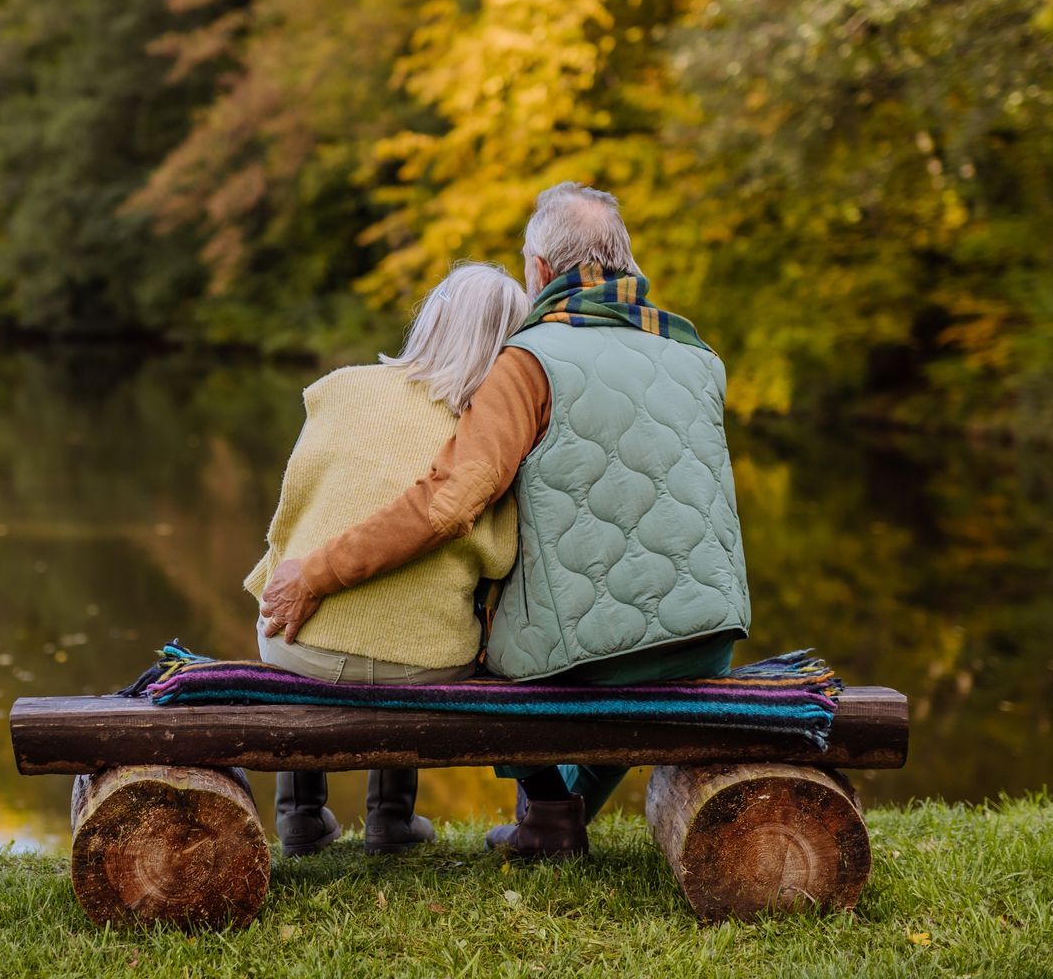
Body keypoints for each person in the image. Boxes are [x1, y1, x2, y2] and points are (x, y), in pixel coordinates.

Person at [262, 182, 750, 860]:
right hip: (712, 639)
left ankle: (549, 814)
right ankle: (559, 817)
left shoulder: (529, 363)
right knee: (623, 629)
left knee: (499, 641)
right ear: (626, 262)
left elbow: (450, 503)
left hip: (593, 658)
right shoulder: (699, 358)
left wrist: (318, 572)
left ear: (543, 272)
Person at [244, 261, 529, 856]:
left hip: (303, 648)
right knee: (434, 617)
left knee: (284, 616)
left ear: (432, 318)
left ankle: (300, 815)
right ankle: (391, 821)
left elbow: (291, 516)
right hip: (425, 670)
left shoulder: (341, 389)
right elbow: (498, 559)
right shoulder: (486, 440)